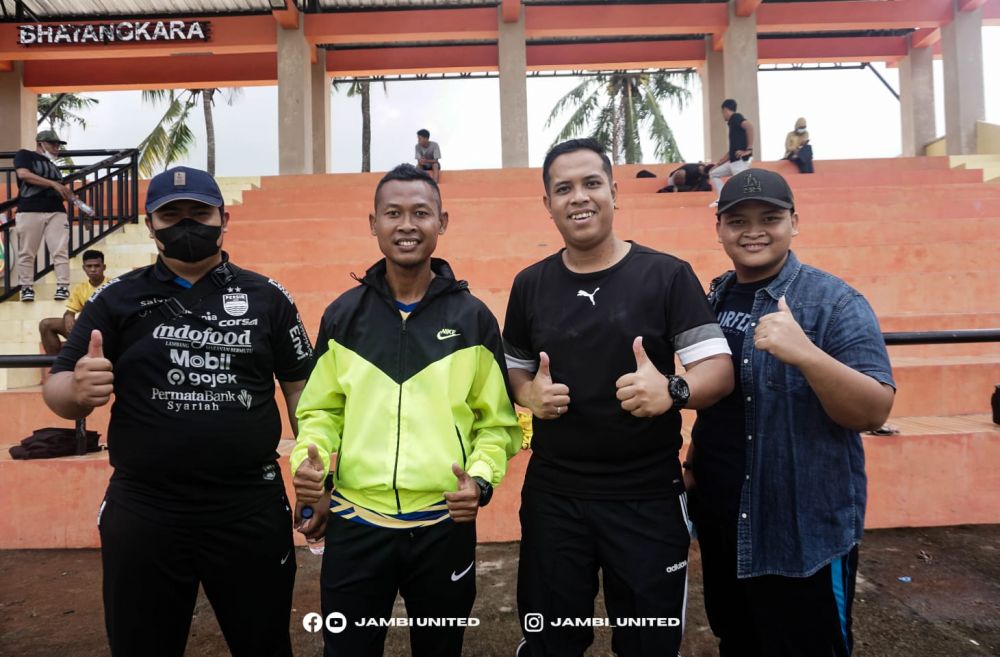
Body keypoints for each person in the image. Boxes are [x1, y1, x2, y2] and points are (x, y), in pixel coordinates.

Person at [42, 166, 313, 657]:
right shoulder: (115, 299)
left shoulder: (268, 298)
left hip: (248, 506)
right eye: (171, 214)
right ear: (150, 224)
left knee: (264, 643)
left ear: (223, 218)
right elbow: (58, 389)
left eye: (199, 213)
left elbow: (301, 393)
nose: (186, 223)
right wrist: (78, 389)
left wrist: (314, 469)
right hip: (146, 509)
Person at [503, 138, 734, 657]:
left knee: (648, 646)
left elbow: (718, 371)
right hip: (555, 498)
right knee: (550, 645)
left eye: (591, 183)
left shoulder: (667, 275)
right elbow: (514, 371)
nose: (578, 197)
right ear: (547, 204)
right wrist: (529, 394)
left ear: (613, 191)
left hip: (647, 496)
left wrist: (673, 391)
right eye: (563, 188)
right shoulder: (530, 285)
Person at [291, 163, 521, 657]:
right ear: (372, 223)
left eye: (421, 212)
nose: (407, 225)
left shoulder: (473, 318)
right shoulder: (343, 315)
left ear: (443, 221)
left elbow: (498, 424)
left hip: (443, 526)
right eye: (392, 213)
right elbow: (320, 413)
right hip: (356, 524)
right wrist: (310, 464)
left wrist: (478, 483)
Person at [688, 168, 895, 657]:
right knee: (736, 641)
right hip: (723, 521)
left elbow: (874, 409)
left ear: (794, 223)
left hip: (799, 531)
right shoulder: (714, 296)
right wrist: (694, 462)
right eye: (738, 220)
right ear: (719, 228)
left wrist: (808, 354)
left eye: (770, 218)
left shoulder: (834, 301)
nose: (753, 230)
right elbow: (723, 398)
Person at [13, 129, 75, 302]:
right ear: (40, 143)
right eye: (52, 144)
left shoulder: (55, 167)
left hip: (56, 210)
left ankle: (63, 286)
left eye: (58, 145)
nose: (56, 148)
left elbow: (58, 188)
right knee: (27, 251)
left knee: (61, 250)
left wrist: (66, 193)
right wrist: (53, 184)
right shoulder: (25, 155)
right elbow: (23, 174)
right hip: (30, 209)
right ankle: (26, 288)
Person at [38, 249, 107, 355]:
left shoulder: (113, 285)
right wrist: (68, 316)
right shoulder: (80, 288)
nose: (93, 269)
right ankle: (56, 365)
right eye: (89, 266)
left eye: (96, 266)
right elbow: (70, 311)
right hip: (84, 330)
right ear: (84, 268)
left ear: (104, 267)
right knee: (45, 324)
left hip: (105, 331)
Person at [709, 99, 755, 207]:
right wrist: (717, 165)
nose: (723, 116)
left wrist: (749, 149)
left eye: (722, 113)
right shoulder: (732, 125)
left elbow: (750, 126)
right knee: (713, 173)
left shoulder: (735, 118)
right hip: (733, 161)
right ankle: (722, 199)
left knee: (743, 188)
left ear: (725, 110)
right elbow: (731, 152)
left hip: (739, 162)